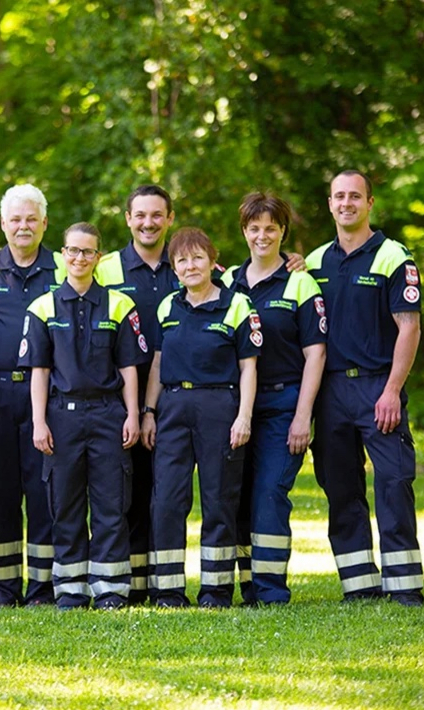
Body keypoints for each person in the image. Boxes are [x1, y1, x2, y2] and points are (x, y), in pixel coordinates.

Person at [306, 170, 424, 606]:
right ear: (330, 203)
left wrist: (393, 389)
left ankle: (404, 585)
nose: (346, 203)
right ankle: (358, 585)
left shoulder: (394, 257)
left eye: (355, 196)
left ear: (369, 203)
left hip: (379, 386)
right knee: (340, 487)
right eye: (339, 196)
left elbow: (409, 328)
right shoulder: (315, 262)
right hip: (331, 392)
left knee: (394, 482)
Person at [22, 222, 148, 610]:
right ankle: (71, 590)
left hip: (109, 415)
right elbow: (39, 371)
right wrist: (39, 421)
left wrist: (133, 415)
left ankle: (110, 589)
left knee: (112, 504)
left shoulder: (119, 305)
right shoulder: (42, 307)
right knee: (65, 503)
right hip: (62, 417)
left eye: (87, 252)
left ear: (98, 257)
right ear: (62, 255)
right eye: (72, 251)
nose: (79, 258)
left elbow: (129, 367)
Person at [136, 227, 258, 608]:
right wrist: (148, 412)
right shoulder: (167, 307)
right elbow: (157, 362)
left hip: (220, 408)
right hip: (172, 408)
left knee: (219, 498)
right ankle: (168, 590)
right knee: (167, 500)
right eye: (182, 260)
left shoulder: (238, 306)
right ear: (175, 268)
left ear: (211, 261)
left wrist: (244, 417)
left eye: (197, 258)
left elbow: (249, 368)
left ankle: (216, 590)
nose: (191, 266)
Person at [0, 183, 63, 606]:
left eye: (31, 219)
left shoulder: (65, 267)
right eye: (15, 219)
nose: (23, 226)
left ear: (44, 223)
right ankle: (3, 588)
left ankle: (43, 588)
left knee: (45, 491)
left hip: (49, 395)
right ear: (3, 224)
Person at [224, 193, 326, 606]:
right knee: (238, 495)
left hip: (284, 405)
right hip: (236, 409)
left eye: (271, 228)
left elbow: (316, 353)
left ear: (283, 231)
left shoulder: (300, 281)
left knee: (270, 493)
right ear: (244, 231)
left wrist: (304, 416)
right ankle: (248, 585)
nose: (262, 235)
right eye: (254, 228)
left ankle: (270, 591)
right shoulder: (229, 280)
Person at [93, 185, 180, 604]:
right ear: (127, 218)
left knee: (163, 493)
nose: (148, 223)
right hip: (117, 398)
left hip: (174, 397)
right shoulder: (104, 268)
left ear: (170, 218)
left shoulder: (187, 264)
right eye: (140, 215)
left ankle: (157, 584)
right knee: (121, 493)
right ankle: (123, 583)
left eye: (156, 215)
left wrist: (293, 262)